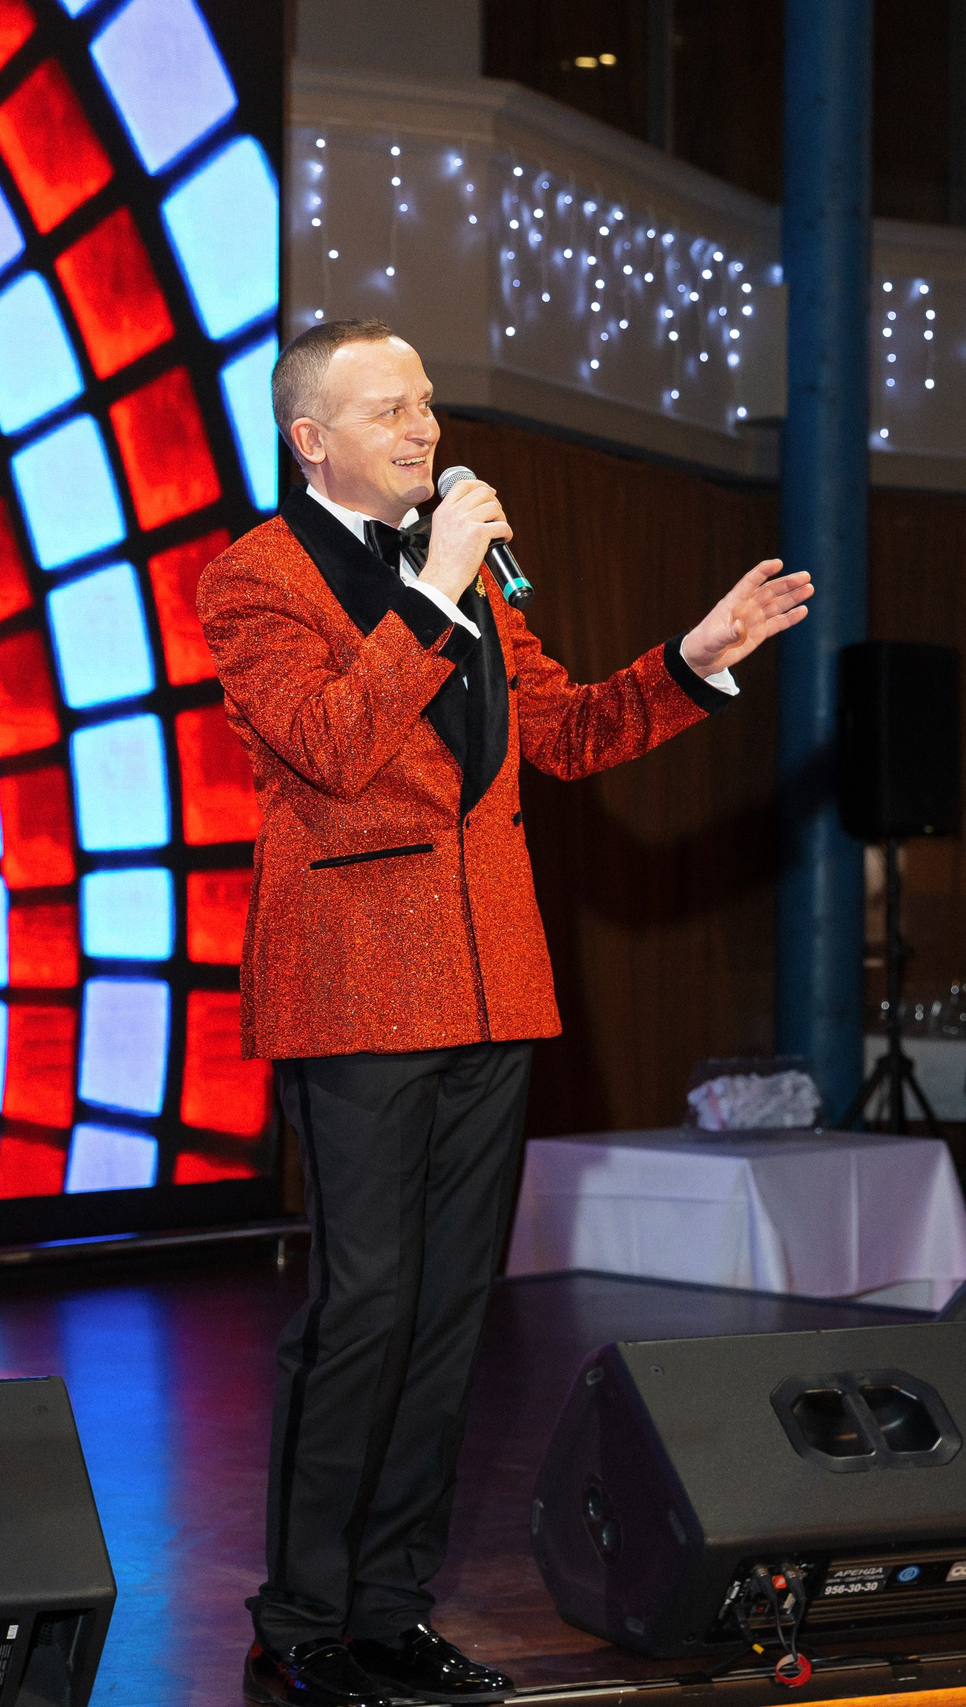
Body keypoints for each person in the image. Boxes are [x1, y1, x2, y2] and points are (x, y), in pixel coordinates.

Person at [197, 319, 813, 1707]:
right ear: (314, 440)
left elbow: (568, 730)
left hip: (491, 988)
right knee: (362, 1310)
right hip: (357, 990)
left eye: (427, 404)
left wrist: (694, 656)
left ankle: (391, 1608)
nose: (425, 428)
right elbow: (335, 747)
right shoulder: (255, 577)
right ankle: (300, 1622)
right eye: (391, 408)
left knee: (448, 1312)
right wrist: (431, 589)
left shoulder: (467, 580)